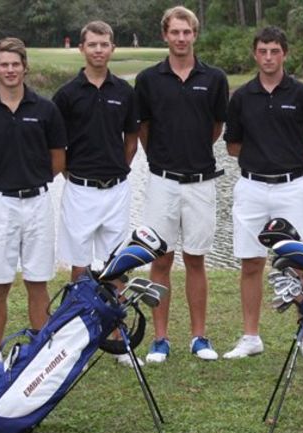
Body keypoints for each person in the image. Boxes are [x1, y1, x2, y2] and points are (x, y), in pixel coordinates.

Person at [222, 26, 303, 362]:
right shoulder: (241, 97)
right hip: (251, 187)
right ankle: (251, 336)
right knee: (251, 262)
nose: (268, 57)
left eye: (275, 51)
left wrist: (293, 159)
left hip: (292, 187)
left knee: (302, 263)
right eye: (263, 51)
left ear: (285, 53)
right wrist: (262, 158)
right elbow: (232, 145)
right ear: (255, 54)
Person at [0, 37, 67, 367]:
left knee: (38, 281)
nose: (10, 70)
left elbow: (58, 158)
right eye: (4, 64)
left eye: (15, 64)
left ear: (25, 67)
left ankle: (40, 351)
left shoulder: (46, 109)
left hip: (37, 203)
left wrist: (32, 181)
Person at [134, 5, 229, 363]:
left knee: (195, 259)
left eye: (186, 32)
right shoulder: (148, 79)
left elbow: (215, 128)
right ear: (165, 35)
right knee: (160, 259)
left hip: (201, 182)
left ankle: (199, 337)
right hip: (162, 182)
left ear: (195, 34)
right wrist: (161, 159)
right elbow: (143, 129)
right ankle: (160, 339)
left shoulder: (214, 78)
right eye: (174, 32)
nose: (181, 38)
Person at [52, 21, 140, 366]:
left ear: (112, 48)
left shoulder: (125, 91)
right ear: (82, 49)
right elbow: (57, 146)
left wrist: (119, 168)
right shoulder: (66, 94)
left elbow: (130, 140)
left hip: (115, 190)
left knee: (116, 266)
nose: (99, 50)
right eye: (92, 44)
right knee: (79, 268)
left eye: (104, 44)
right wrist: (72, 174)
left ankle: (118, 339)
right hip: (79, 190)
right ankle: (79, 340)